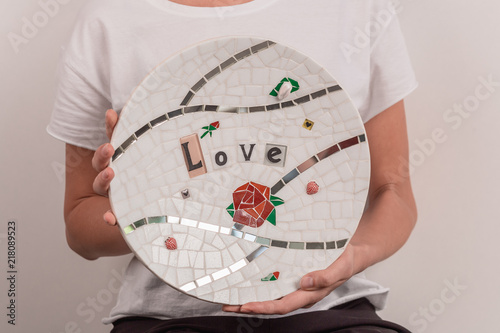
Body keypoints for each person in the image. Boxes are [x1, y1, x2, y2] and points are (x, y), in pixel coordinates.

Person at [47, 0, 418, 331]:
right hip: (168, 318)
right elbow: (80, 227)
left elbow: (393, 191)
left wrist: (352, 259)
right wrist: (137, 214)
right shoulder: (108, 18)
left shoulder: (358, 7)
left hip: (332, 307)